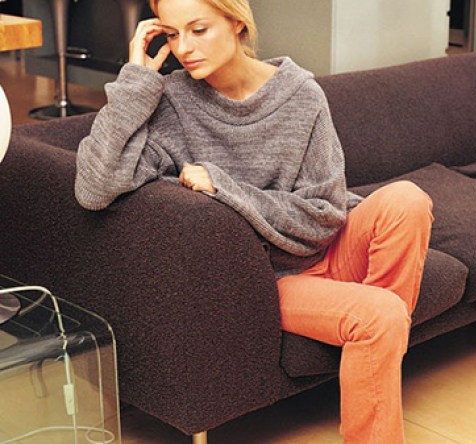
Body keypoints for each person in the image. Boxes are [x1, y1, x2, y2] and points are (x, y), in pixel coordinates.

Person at [74, 0, 434, 441]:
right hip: (267, 277)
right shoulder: (170, 102)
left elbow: (325, 216)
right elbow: (93, 188)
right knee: (382, 313)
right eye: (171, 34)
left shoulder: (300, 94)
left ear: (237, 22)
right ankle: (371, 339)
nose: (184, 48)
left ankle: (372, 353)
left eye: (198, 30)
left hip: (325, 247)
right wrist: (135, 80)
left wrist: (225, 188)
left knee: (407, 200)